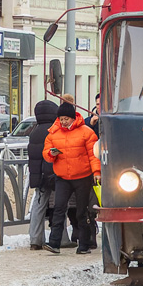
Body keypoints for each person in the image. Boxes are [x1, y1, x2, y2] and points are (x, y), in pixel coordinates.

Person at [44, 100, 100, 255]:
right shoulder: (53, 133)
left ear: (73, 118)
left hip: (83, 177)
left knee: (82, 212)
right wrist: (51, 154)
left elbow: (94, 155)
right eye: (61, 119)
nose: (63, 122)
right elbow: (46, 153)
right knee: (59, 209)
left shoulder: (86, 132)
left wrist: (96, 172)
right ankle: (54, 243)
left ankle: (84, 245)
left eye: (66, 119)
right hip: (62, 177)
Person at [26, 99, 59, 250]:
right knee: (59, 206)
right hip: (54, 173)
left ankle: (35, 239)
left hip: (39, 175)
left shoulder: (34, 132)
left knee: (38, 206)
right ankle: (61, 238)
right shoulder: (54, 132)